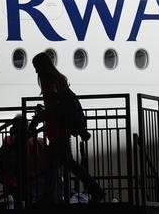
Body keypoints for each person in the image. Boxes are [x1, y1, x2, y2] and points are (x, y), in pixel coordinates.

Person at [28, 52, 104, 204]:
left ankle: (95, 190)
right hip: (61, 126)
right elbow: (57, 104)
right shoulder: (58, 79)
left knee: (61, 163)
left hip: (59, 128)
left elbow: (54, 106)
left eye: (37, 67)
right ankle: (48, 198)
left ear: (42, 66)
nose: (36, 71)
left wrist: (39, 117)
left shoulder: (48, 80)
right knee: (56, 164)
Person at [0, 115, 47, 205]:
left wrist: (2, 177)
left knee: (16, 201)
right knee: (33, 198)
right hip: (33, 178)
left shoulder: (9, 143)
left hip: (14, 179)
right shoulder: (38, 142)